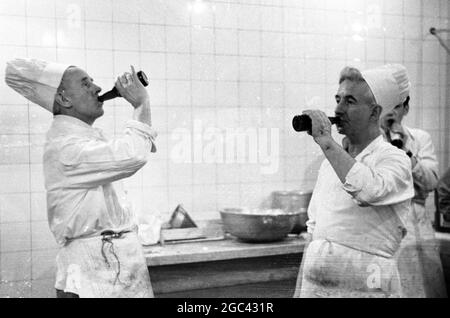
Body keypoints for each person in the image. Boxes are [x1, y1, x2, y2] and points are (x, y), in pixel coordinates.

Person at [5, 58, 157, 298]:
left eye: (93, 82)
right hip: (93, 268)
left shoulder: (86, 138)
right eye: (86, 84)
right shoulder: (65, 147)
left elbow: (131, 152)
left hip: (112, 262)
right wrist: (141, 104)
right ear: (64, 99)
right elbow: (133, 154)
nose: (97, 88)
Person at [293, 65, 415, 298]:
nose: (338, 109)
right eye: (337, 99)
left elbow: (369, 191)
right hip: (317, 289)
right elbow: (314, 230)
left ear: (374, 112)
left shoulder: (394, 159)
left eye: (349, 101)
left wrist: (327, 142)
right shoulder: (330, 164)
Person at [380, 65, 447, 297]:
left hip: (416, 226)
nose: (391, 113)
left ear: (406, 108)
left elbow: (431, 182)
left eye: (397, 106)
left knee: (421, 288)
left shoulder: (419, 139)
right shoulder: (371, 143)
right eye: (386, 106)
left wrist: (405, 150)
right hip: (382, 228)